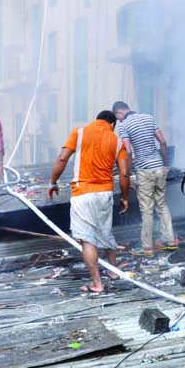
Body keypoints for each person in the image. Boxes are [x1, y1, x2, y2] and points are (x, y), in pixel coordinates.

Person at [47, 111, 130, 295]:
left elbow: (62, 158)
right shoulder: (117, 141)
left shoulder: (80, 132)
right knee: (105, 232)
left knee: (87, 239)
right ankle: (113, 272)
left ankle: (97, 284)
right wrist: (125, 197)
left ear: (96, 120)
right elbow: (124, 174)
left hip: (83, 193)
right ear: (113, 124)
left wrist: (53, 182)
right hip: (104, 193)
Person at [112, 101, 175, 255]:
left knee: (146, 209)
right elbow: (163, 142)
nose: (118, 120)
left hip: (144, 170)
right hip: (159, 167)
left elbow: (128, 152)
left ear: (119, 113)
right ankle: (170, 241)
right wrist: (165, 164)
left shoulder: (123, 125)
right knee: (161, 205)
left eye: (117, 117)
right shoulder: (148, 118)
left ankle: (147, 247)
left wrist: (127, 173)